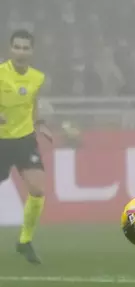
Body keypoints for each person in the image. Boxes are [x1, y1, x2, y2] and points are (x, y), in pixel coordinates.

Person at [0, 30, 52, 264]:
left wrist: (40, 124)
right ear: (10, 49)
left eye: (25, 48)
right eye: (17, 47)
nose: (21, 52)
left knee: (38, 189)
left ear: (32, 51)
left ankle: (24, 241)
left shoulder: (37, 77)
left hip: (24, 139)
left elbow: (34, 104)